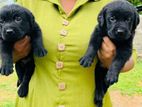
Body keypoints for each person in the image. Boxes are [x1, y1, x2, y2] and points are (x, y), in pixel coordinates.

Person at [13, 0, 135, 107]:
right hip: (36, 101)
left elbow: (130, 58)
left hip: (88, 102)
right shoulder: (28, 2)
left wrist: (110, 62)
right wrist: (15, 54)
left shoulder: (112, 3)